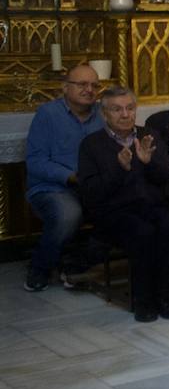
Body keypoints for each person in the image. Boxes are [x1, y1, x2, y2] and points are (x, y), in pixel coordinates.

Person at [77, 87, 169, 322]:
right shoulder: (91, 145)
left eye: (130, 108)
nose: (125, 114)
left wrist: (147, 162)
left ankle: (164, 298)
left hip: (150, 207)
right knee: (141, 232)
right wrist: (119, 168)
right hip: (113, 212)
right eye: (117, 109)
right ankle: (143, 301)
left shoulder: (149, 135)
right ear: (104, 114)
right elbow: (91, 193)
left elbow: (166, 177)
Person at [23, 64, 106, 291]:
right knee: (69, 215)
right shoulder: (48, 114)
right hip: (53, 187)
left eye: (94, 85)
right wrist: (70, 176)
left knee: (124, 208)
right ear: (65, 88)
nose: (89, 90)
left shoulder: (103, 114)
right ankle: (40, 267)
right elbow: (36, 161)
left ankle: (75, 264)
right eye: (82, 84)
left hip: (91, 186)